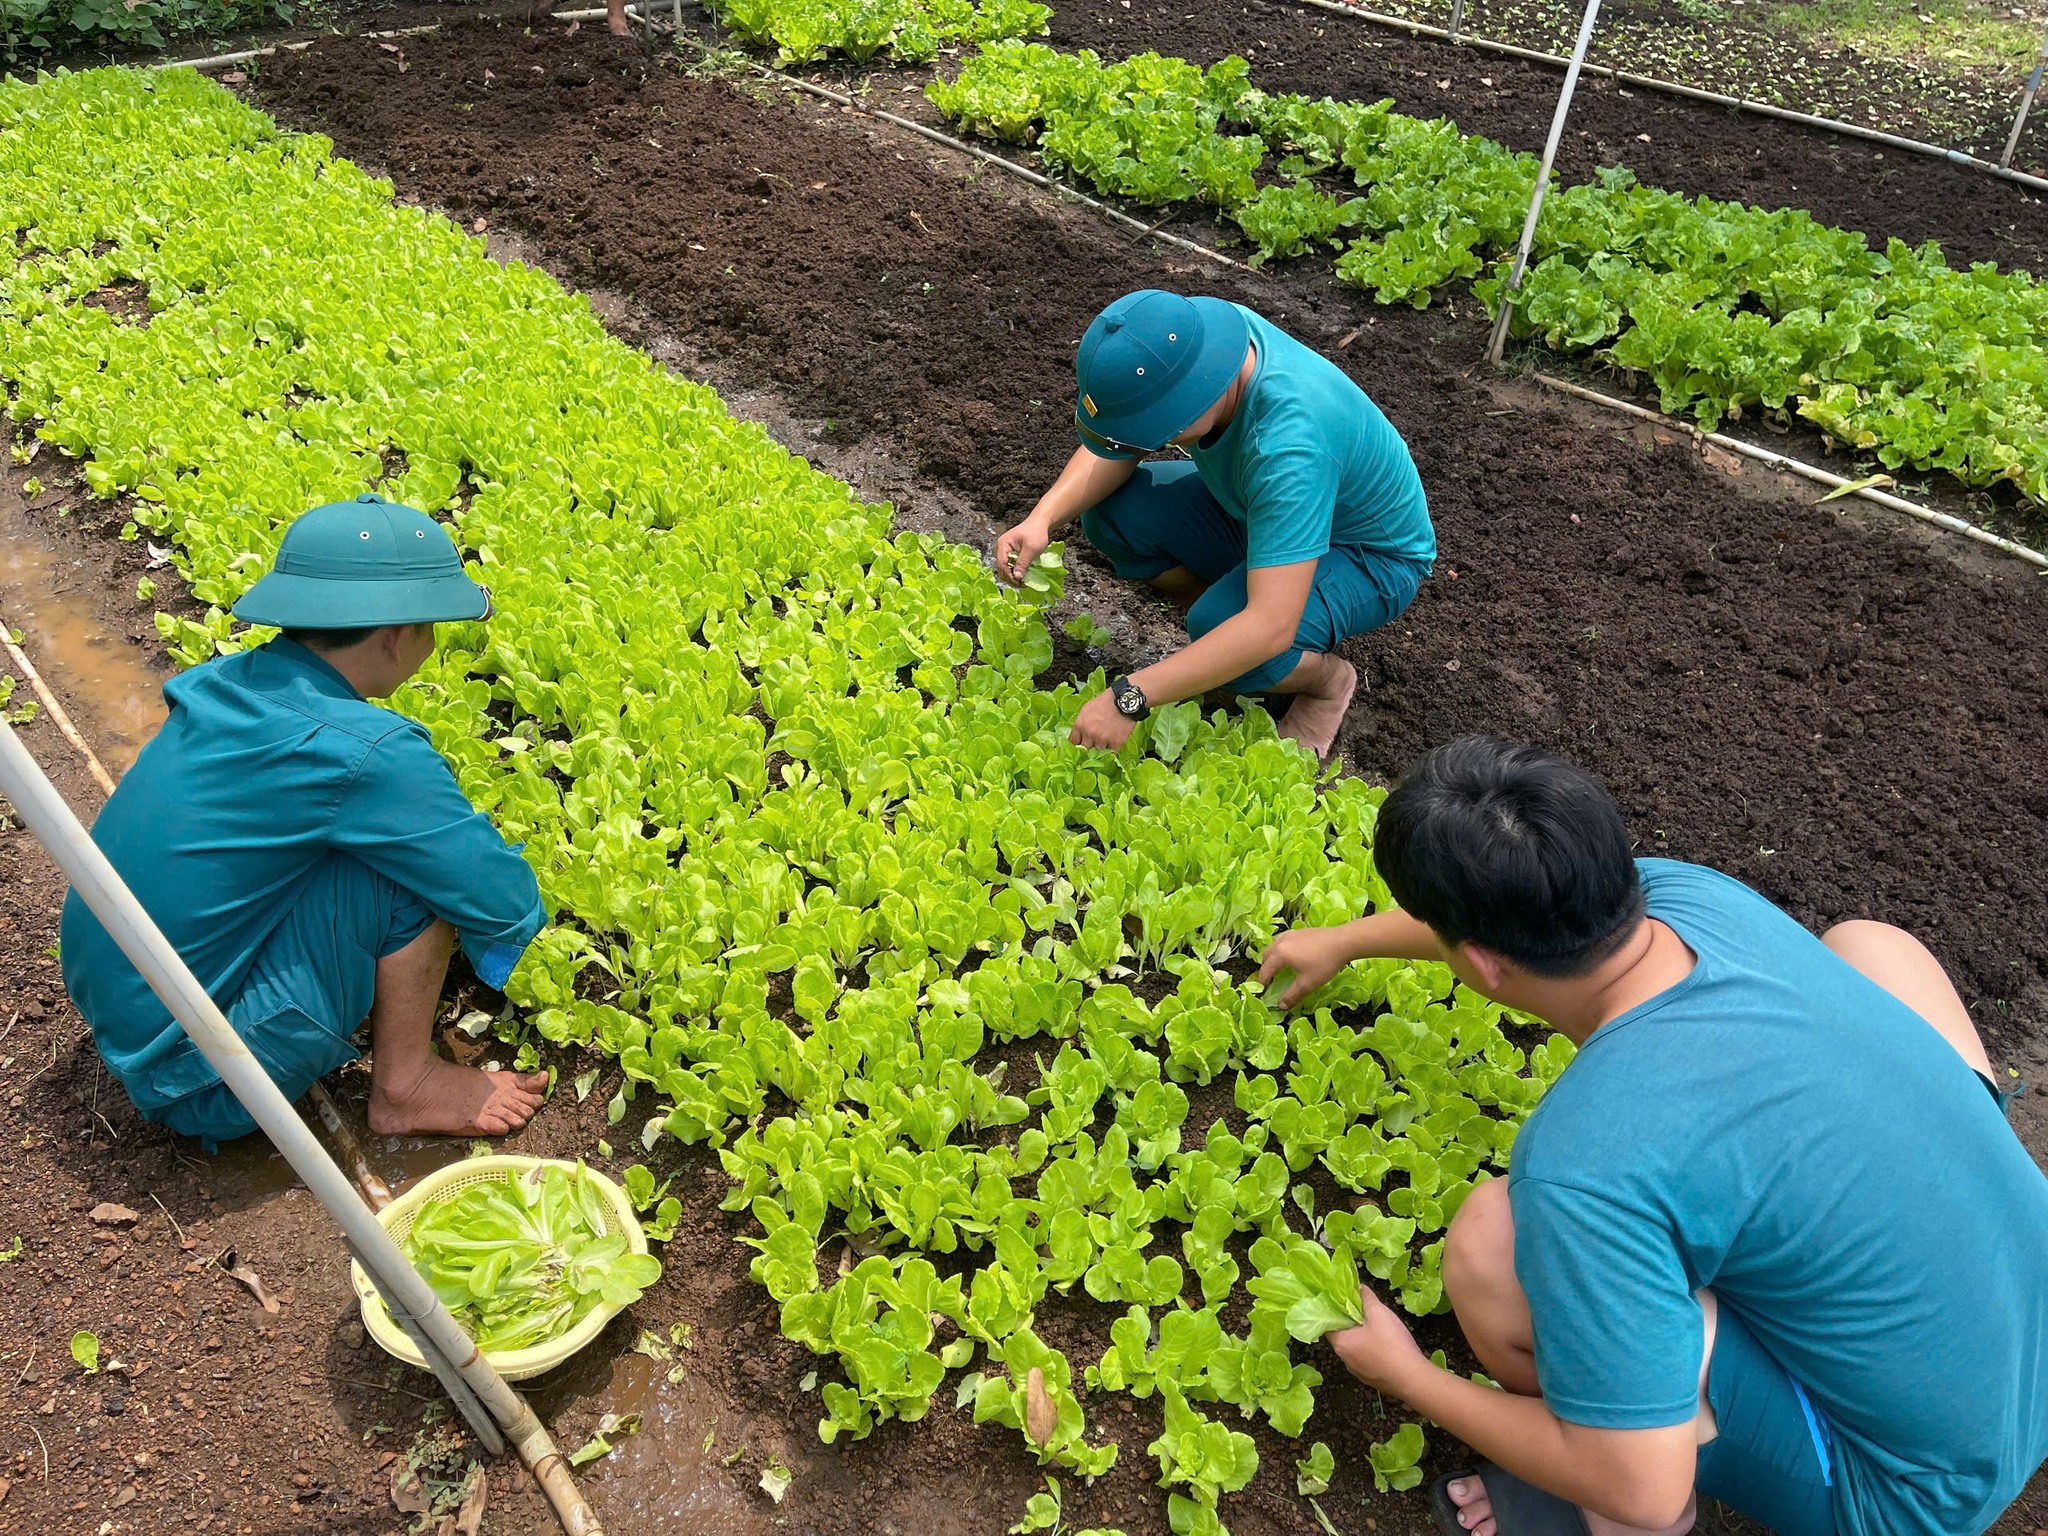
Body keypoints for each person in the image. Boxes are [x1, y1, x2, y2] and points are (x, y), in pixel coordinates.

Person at [1257, 737, 2048, 1536]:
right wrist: (1347, 938)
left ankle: (1607, 1515)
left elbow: (1644, 1486)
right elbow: (1503, 932)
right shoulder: (1687, 895)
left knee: (1495, 1247)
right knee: (1873, 946)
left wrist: (1408, 1375)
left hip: (1915, 1489)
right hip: (2026, 1327)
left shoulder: (1589, 1163)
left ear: (1483, 965)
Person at [61, 494, 552, 1148]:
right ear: (398, 635)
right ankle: (406, 1088)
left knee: (366, 846)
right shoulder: (367, 754)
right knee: (410, 876)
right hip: (203, 1076)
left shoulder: (225, 685)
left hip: (125, 1012)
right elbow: (498, 898)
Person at [993, 289, 1434, 761]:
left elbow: (1270, 626)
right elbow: (1117, 445)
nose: (1157, 440)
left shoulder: (1289, 449)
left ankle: (1327, 681)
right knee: (1115, 516)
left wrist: (1131, 697)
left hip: (1365, 554)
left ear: (1200, 394)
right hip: (1254, 505)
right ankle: (1225, 634)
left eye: (1163, 428)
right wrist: (1042, 519)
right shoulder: (1198, 339)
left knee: (1235, 630)